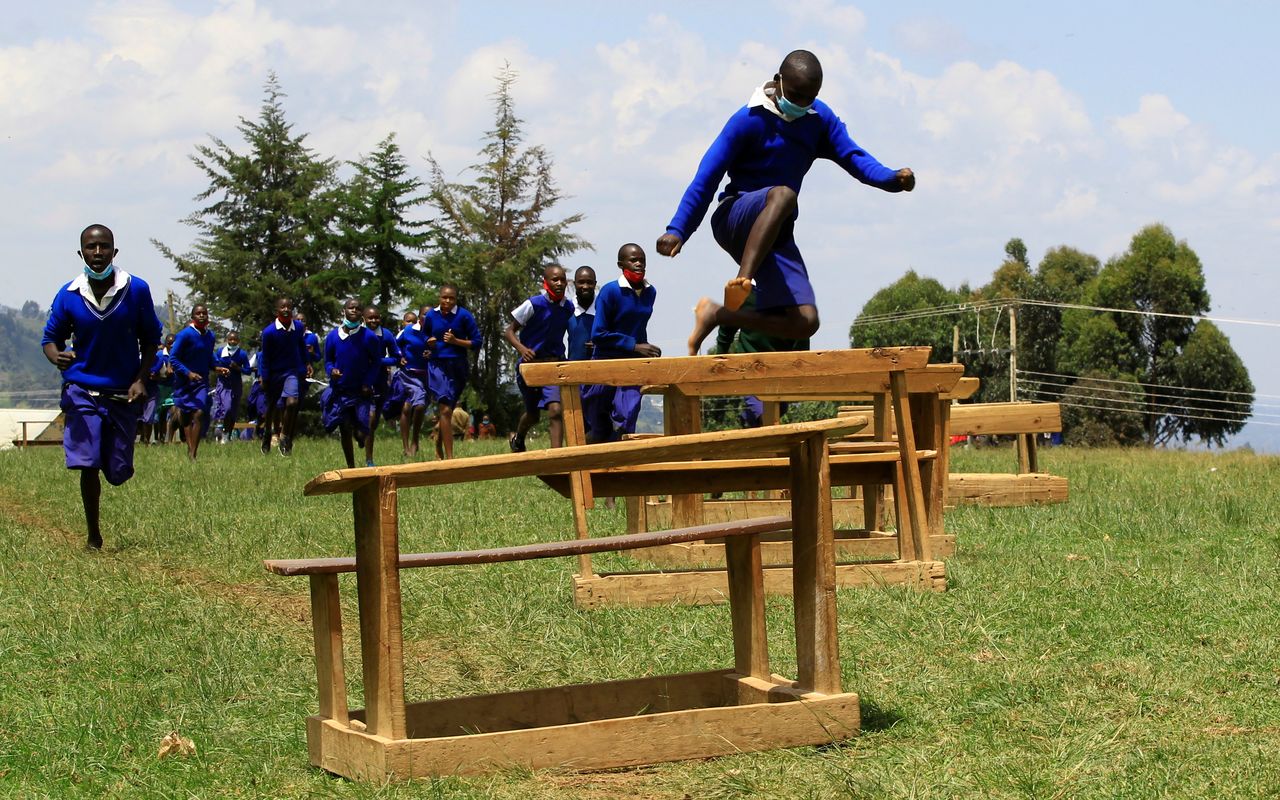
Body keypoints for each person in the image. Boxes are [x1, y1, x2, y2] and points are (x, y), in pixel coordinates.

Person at [656, 49, 915, 355]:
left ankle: (718, 314)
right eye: (795, 95)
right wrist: (678, 229)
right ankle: (743, 279)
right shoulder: (747, 120)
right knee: (783, 194)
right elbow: (706, 177)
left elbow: (854, 157)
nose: (802, 104)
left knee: (805, 321)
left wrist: (892, 178)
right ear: (778, 81)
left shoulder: (818, 120)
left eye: (810, 97)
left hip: (774, 232)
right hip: (735, 216)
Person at [40, 224, 163, 549]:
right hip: (81, 389)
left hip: (122, 392)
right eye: (91, 248)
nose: (98, 253)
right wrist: (57, 356)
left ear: (114, 251)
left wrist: (140, 379)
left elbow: (151, 339)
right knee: (88, 461)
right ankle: (93, 535)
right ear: (81, 253)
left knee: (118, 472)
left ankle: (115, 462)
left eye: (104, 247)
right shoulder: (69, 295)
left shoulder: (136, 290)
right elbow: (50, 339)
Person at [583, 243, 660, 443]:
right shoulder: (610, 291)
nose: (639, 264)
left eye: (642, 260)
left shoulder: (650, 292)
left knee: (628, 414)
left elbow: (638, 326)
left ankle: (621, 464)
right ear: (621, 264)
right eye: (633, 260)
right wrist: (633, 345)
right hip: (605, 359)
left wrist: (646, 349)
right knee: (599, 425)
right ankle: (586, 465)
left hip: (633, 363)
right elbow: (598, 333)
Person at [505, 264, 574, 452]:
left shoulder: (568, 307)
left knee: (555, 410)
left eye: (562, 279)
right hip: (530, 366)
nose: (559, 283)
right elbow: (509, 331)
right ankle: (518, 439)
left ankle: (556, 458)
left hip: (554, 365)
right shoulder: (534, 304)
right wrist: (522, 349)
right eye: (555, 279)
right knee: (533, 415)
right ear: (546, 282)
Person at [420, 284, 481, 460]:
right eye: (444, 297)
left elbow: (477, 342)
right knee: (446, 409)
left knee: (448, 409)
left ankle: (439, 442)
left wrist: (456, 341)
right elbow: (424, 335)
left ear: (456, 299)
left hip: (458, 366)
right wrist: (429, 341)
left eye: (451, 298)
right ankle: (450, 458)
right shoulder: (431, 315)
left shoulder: (464, 316)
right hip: (437, 365)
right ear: (439, 298)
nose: (447, 301)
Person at [322, 298, 381, 468]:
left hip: (361, 391)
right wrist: (331, 371)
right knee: (344, 427)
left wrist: (367, 382)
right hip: (341, 390)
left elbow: (376, 362)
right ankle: (351, 467)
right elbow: (328, 361)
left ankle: (362, 441)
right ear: (344, 311)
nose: (354, 310)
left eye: (358, 308)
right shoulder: (333, 336)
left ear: (361, 313)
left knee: (363, 428)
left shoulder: (369, 337)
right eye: (351, 308)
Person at [258, 297, 311, 456]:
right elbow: (265, 357)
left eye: (289, 307)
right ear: (277, 311)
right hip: (274, 373)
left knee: (292, 402)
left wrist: (307, 363)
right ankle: (268, 433)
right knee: (272, 407)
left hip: (292, 372)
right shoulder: (269, 332)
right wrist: (264, 377)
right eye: (283, 307)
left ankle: (285, 436)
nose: (286, 309)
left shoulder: (299, 327)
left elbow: (301, 346)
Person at [168, 304, 216, 461]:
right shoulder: (185, 335)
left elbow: (209, 358)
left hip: (201, 381)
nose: (202, 315)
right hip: (184, 382)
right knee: (187, 416)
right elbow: (173, 358)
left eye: (204, 313)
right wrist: (188, 373)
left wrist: (217, 367)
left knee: (199, 413)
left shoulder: (210, 336)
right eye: (198, 313)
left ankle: (194, 454)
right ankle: (190, 449)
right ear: (193, 317)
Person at [363, 306, 402, 467]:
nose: (373, 321)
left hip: (380, 382)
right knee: (369, 419)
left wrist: (378, 361)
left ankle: (367, 447)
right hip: (361, 381)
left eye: (376, 318)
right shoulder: (358, 334)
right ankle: (369, 459)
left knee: (374, 421)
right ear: (364, 319)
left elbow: (396, 358)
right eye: (370, 318)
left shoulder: (386, 335)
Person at [393, 304, 434, 457]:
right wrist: (400, 357)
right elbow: (393, 346)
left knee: (414, 407)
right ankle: (409, 445)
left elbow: (442, 349)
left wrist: (432, 353)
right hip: (408, 375)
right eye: (424, 315)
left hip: (427, 376)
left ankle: (415, 439)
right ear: (419, 316)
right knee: (415, 406)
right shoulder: (408, 331)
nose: (427, 318)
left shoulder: (435, 332)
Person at [212, 330, 251, 443]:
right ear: (227, 340)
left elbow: (248, 371)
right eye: (230, 339)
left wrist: (238, 368)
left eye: (235, 339)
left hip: (236, 385)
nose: (232, 341)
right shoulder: (220, 352)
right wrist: (221, 371)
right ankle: (223, 430)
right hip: (223, 385)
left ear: (238, 341)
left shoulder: (242, 354)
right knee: (226, 408)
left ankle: (227, 434)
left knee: (233, 411)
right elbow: (214, 365)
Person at [567, 266, 597, 362]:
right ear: (574, 284)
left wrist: (600, 344)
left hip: (601, 368)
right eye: (581, 282)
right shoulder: (567, 309)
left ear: (595, 284)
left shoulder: (604, 308)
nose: (585, 286)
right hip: (573, 370)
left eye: (589, 282)